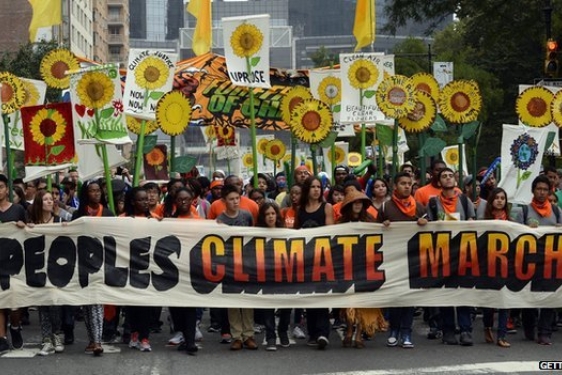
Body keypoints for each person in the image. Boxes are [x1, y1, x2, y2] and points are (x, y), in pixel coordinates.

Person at [426, 168, 476, 346]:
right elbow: (427, 228)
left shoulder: (464, 200)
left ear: (455, 180)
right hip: (442, 254)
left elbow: (474, 222)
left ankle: (465, 330)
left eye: (450, 176)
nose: (448, 179)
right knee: (446, 293)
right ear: (439, 182)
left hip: (463, 253)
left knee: (463, 292)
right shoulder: (433, 203)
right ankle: (448, 330)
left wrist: (471, 222)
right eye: (444, 176)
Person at [378, 172, 428, 349]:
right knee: (395, 297)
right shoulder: (385, 208)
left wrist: (425, 223)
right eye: (403, 183)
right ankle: (394, 330)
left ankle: (406, 332)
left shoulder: (420, 208)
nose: (407, 186)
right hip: (392, 260)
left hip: (413, 259)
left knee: (408, 298)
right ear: (395, 186)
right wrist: (382, 227)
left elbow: (433, 230)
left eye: (409, 183)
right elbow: (374, 233)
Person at [515, 175, 562, 345]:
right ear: (533, 191)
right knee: (529, 296)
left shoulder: (556, 212)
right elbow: (515, 234)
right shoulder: (524, 211)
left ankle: (544, 332)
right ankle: (530, 326)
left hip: (551, 262)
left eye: (544, 189)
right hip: (529, 261)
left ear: (549, 191)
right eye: (538, 189)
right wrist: (526, 230)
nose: (541, 192)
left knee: (550, 296)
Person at [338, 189, 386, 348]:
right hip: (347, 266)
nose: (357, 205)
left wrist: (385, 226)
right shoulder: (340, 224)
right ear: (349, 205)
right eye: (354, 202)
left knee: (363, 301)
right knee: (348, 301)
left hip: (366, 266)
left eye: (360, 202)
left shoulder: (371, 221)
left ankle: (358, 334)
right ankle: (349, 329)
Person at [71, 180, 114, 356]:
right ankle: (91, 339)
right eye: (92, 191)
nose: (96, 194)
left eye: (98, 190)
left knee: (96, 301)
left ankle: (97, 341)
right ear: (85, 194)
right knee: (87, 303)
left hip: (102, 263)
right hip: (82, 264)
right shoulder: (78, 214)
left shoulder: (109, 214)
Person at [216, 184, 257, 351]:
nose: (235, 202)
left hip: (246, 262)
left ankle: (249, 335)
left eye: (237, 198)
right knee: (233, 301)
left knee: (247, 300)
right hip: (229, 265)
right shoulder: (220, 220)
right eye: (231, 199)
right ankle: (236, 336)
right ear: (224, 201)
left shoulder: (246, 215)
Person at [294, 176, 334, 350]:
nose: (317, 190)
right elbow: (295, 232)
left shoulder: (327, 207)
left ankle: (323, 332)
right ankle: (312, 333)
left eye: (319, 187)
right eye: (313, 187)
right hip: (305, 259)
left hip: (322, 258)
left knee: (322, 296)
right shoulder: (300, 209)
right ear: (307, 190)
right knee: (310, 297)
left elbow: (331, 231)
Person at [121, 187, 160, 352]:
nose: (146, 202)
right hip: (128, 267)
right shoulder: (122, 220)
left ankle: (144, 337)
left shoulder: (156, 219)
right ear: (132, 202)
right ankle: (134, 334)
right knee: (131, 305)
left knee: (145, 305)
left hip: (148, 268)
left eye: (147, 199)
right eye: (141, 200)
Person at [28, 190, 66, 355]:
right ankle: (46, 339)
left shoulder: (60, 221)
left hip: (57, 269)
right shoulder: (33, 223)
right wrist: (26, 228)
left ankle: (57, 335)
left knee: (55, 303)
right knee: (43, 303)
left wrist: (67, 228)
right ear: (39, 203)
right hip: (39, 268)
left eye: (51, 199)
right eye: (46, 199)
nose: (50, 202)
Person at [256, 202, 292, 351]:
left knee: (287, 305)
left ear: (277, 215)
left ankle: (283, 331)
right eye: (267, 214)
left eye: (272, 213)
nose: (270, 217)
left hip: (284, 274)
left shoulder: (285, 232)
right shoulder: (256, 233)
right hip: (266, 274)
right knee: (268, 306)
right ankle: (271, 336)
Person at [478, 187, 511, 348]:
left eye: (502, 198)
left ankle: (502, 335)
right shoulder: (484, 220)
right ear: (492, 201)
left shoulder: (511, 222)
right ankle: (487, 326)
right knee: (490, 302)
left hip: (506, 266)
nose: (499, 200)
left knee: (506, 301)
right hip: (488, 266)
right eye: (497, 198)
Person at [0, 174, 27, 354]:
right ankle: (2, 338)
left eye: (1, 186)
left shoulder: (18, 209)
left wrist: (22, 225)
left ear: (7, 189)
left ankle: (15, 327)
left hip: (15, 265)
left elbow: (30, 231)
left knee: (14, 303)